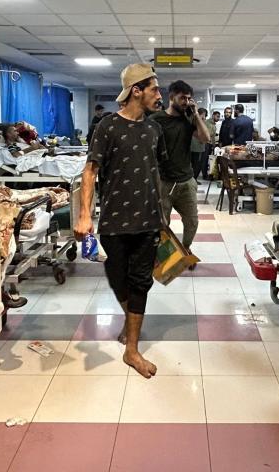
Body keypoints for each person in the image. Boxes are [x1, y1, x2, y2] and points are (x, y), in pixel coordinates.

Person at [75, 63, 166, 379]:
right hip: (114, 220)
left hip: (149, 220)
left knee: (141, 281)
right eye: (154, 88)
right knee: (117, 278)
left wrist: (164, 214)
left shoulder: (155, 129)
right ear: (136, 90)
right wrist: (85, 215)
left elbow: (155, 172)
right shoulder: (107, 127)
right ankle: (131, 325)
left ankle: (132, 349)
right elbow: (90, 171)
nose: (160, 95)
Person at [150, 81, 210, 249]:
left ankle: (185, 249)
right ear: (171, 97)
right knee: (162, 223)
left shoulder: (188, 120)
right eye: (182, 98)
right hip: (164, 182)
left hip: (186, 182)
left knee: (192, 221)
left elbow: (206, 139)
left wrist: (196, 115)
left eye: (189, 98)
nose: (186, 102)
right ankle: (167, 255)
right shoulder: (156, 119)